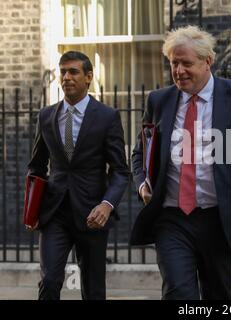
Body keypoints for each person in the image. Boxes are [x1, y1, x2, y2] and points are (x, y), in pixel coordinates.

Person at [130, 25, 231, 300]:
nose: (179, 71)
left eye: (186, 63)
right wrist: (143, 182)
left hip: (221, 219)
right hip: (172, 218)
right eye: (174, 63)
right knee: (178, 292)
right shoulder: (159, 100)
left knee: (217, 294)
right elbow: (140, 152)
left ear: (208, 61)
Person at [27, 51, 129, 300]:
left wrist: (107, 205)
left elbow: (120, 171)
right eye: (63, 72)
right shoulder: (46, 116)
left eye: (73, 72)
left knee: (93, 290)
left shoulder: (107, 117)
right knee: (50, 281)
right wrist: (32, 208)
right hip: (55, 214)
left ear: (89, 77)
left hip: (92, 214)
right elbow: (36, 167)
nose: (67, 77)